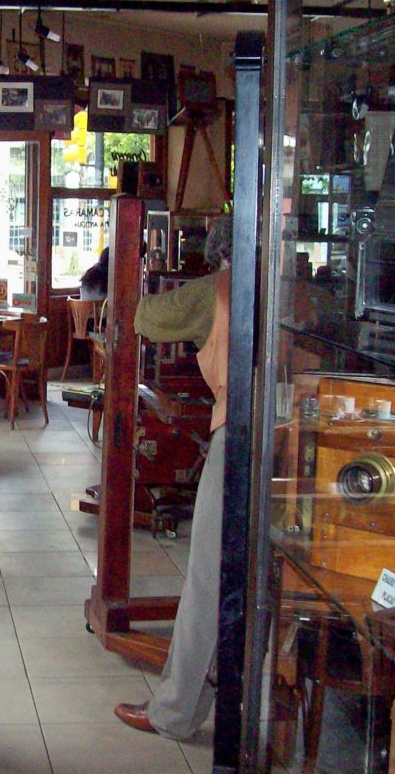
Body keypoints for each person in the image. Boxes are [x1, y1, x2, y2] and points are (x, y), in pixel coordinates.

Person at [114, 215, 233, 740]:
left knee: (208, 577)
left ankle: (174, 711)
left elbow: (144, 318)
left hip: (241, 435)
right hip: (299, 439)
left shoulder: (214, 291)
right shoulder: (290, 288)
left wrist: (139, 269)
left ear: (215, 252)